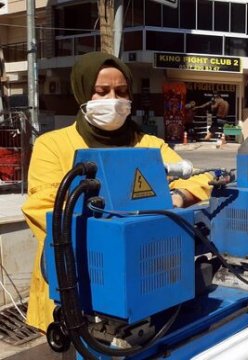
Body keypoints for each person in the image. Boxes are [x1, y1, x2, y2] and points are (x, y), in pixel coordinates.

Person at [21, 52, 213, 332]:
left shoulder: (148, 145)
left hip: (142, 285)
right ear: (83, 93)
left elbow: (200, 178)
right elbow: (43, 208)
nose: (114, 100)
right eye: (102, 91)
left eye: (122, 92)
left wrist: (178, 197)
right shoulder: (53, 145)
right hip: (75, 291)